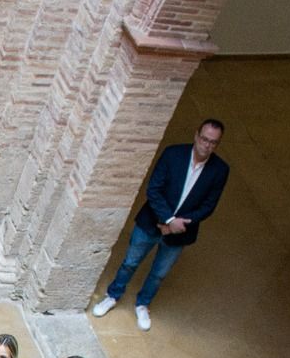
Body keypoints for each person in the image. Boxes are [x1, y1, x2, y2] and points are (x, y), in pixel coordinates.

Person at [92, 119, 229, 332]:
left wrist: (179, 224)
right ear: (196, 135)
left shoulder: (220, 170)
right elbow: (154, 189)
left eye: (213, 142)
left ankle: (143, 304)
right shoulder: (173, 154)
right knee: (130, 261)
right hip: (151, 222)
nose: (207, 145)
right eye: (204, 139)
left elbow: (208, 205)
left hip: (181, 231)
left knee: (159, 273)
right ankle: (113, 295)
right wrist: (168, 221)